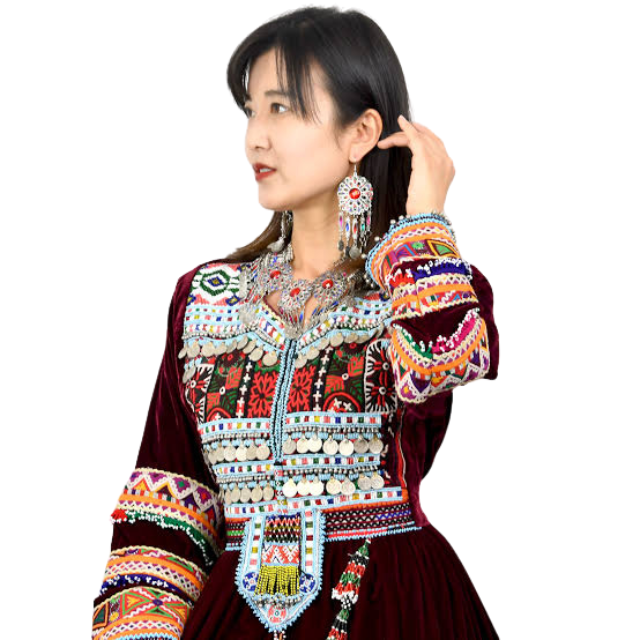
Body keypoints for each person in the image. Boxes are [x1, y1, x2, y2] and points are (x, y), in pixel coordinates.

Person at [91, 7, 501, 640]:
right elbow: (169, 501)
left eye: (281, 108)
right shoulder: (205, 299)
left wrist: (423, 219)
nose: (256, 137)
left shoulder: (426, 283)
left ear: (361, 132)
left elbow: (440, 365)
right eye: (250, 110)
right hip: (235, 616)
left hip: (388, 607)